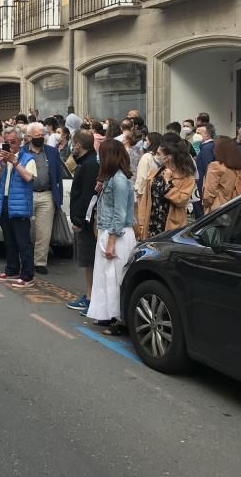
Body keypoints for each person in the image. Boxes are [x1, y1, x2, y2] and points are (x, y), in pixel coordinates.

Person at [86, 139, 136, 335]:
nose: (99, 157)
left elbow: (120, 213)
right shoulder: (110, 178)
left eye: (101, 154)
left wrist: (112, 242)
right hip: (109, 232)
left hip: (118, 235)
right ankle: (110, 315)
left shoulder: (120, 180)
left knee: (117, 279)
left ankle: (121, 320)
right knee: (105, 277)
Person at [0, 127, 37, 288]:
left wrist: (14, 162)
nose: (10, 145)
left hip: (20, 204)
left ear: (20, 142)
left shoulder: (28, 158)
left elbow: (29, 177)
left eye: (13, 142)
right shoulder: (1, 158)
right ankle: (12, 270)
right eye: (7, 142)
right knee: (9, 240)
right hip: (3, 202)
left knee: (23, 242)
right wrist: (2, 165)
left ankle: (27, 275)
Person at [135, 136, 196, 240]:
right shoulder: (155, 173)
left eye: (159, 154)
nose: (156, 156)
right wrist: (141, 224)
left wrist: (168, 183)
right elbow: (145, 201)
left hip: (171, 227)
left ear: (169, 157)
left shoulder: (186, 177)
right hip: (152, 225)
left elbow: (181, 200)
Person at [66, 131, 99, 315]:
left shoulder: (89, 165)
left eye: (74, 143)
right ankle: (89, 296)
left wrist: (79, 220)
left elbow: (87, 196)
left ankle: (90, 298)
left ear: (78, 145)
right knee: (87, 262)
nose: (73, 147)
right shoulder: (86, 163)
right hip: (84, 220)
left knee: (89, 261)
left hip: (86, 222)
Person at [24, 122, 64, 275]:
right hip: (28, 193)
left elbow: (58, 176)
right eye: (37, 136)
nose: (40, 138)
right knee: (26, 230)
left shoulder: (52, 152)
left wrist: (58, 198)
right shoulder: (22, 152)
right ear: (29, 137)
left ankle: (40, 262)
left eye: (42, 135)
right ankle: (25, 260)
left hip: (47, 194)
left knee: (44, 231)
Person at [202, 136, 241, 213]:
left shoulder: (216, 166)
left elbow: (209, 193)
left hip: (218, 211)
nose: (213, 150)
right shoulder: (238, 167)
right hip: (235, 210)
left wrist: (206, 205)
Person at [134, 132, 163, 208]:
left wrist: (138, 191)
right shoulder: (162, 157)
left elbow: (142, 176)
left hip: (145, 191)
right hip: (157, 190)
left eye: (146, 140)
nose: (145, 143)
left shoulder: (146, 157)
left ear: (151, 142)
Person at [194, 123, 216, 218]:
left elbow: (208, 169)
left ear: (207, 135)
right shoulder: (205, 147)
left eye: (199, 133)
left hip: (202, 186)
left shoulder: (207, 148)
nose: (196, 135)